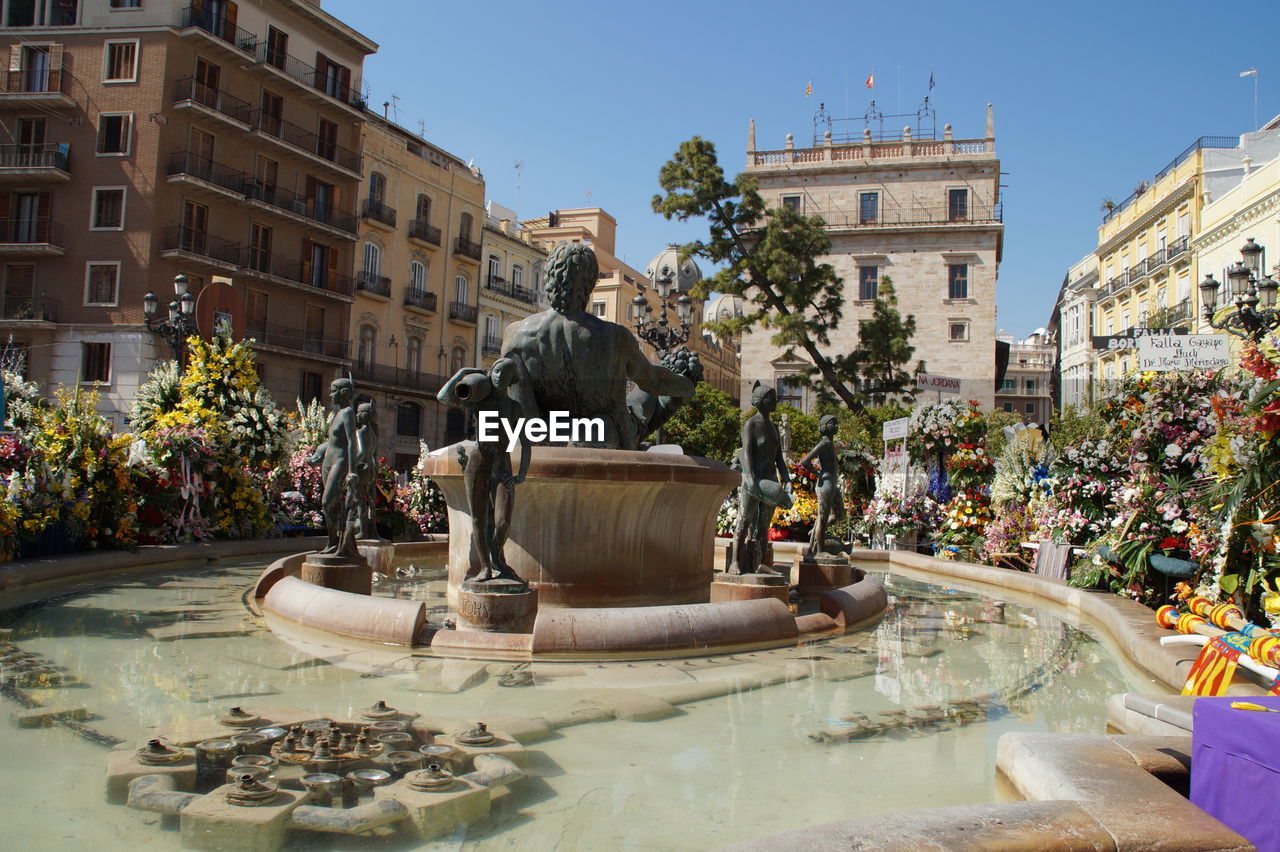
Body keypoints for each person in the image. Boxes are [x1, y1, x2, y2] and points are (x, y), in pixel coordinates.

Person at [500, 243, 693, 450]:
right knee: (645, 401)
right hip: (602, 436)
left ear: (548, 280)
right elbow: (652, 380)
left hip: (539, 436)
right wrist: (686, 386)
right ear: (591, 285)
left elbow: (508, 391)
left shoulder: (516, 333)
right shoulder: (615, 336)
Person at [437, 358, 532, 585]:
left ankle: (497, 559)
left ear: (511, 380)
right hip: (477, 464)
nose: (499, 376)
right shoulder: (479, 401)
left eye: (505, 373)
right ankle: (486, 567)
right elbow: (443, 397)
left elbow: (525, 443)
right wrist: (463, 372)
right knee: (479, 520)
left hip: (503, 466)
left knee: (502, 522)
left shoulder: (514, 407)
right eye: (497, 371)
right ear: (491, 374)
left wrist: (521, 475)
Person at [729, 383, 793, 575]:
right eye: (770, 398)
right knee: (744, 521)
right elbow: (746, 453)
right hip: (753, 481)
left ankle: (762, 563)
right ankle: (735, 562)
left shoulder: (773, 427)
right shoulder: (751, 424)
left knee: (764, 526)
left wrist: (787, 479)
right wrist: (749, 479)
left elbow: (779, 457)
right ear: (759, 401)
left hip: (770, 480)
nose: (775, 401)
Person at [307, 378, 359, 556]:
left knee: (327, 501)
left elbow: (352, 443)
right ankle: (333, 542)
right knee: (332, 505)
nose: (331, 395)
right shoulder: (338, 414)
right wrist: (318, 455)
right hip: (328, 461)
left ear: (344, 392)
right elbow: (332, 441)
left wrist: (352, 471)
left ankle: (336, 542)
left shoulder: (348, 413)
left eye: (334, 390)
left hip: (340, 461)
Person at [799, 414, 846, 560]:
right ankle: (819, 550)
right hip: (826, 483)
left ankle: (816, 532)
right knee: (823, 517)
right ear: (825, 427)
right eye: (833, 423)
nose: (836, 426)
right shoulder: (825, 443)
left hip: (831, 482)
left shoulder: (830, 443)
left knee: (840, 514)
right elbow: (805, 461)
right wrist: (817, 474)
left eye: (837, 423)